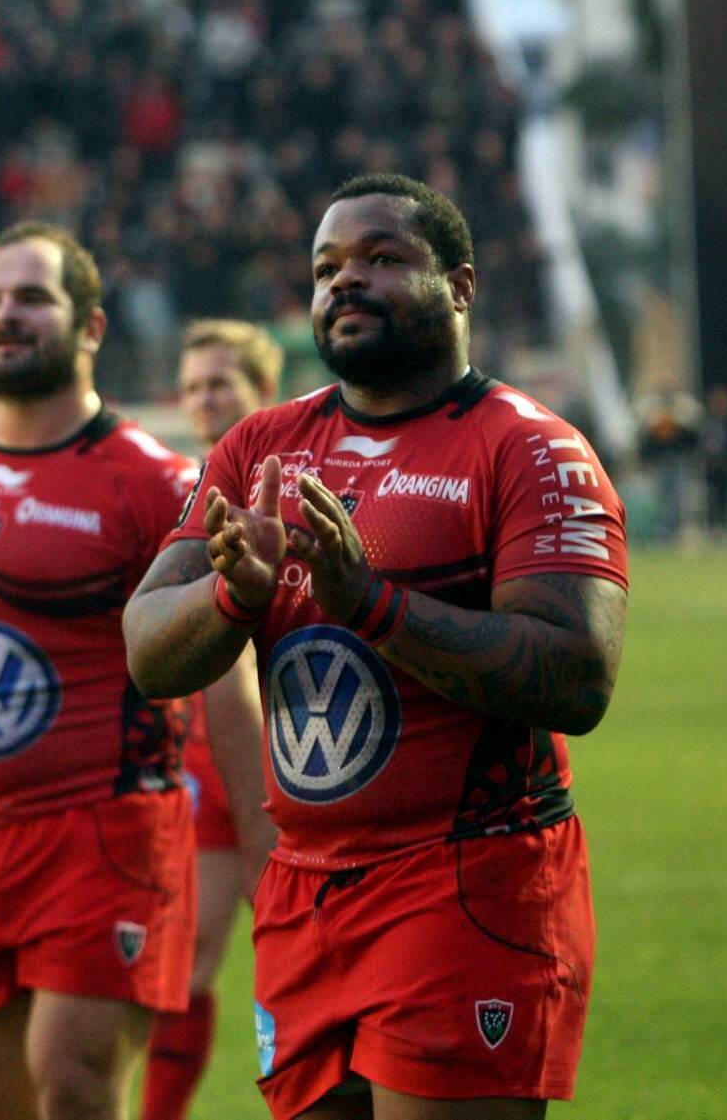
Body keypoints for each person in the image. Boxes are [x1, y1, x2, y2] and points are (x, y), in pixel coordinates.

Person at [123, 174, 631, 1120]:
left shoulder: (530, 449)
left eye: (382, 258)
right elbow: (149, 650)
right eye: (327, 268)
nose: (346, 281)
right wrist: (234, 594)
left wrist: (372, 605)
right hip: (306, 889)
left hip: (466, 880)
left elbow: (576, 674)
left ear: (461, 285)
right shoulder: (259, 447)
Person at [0, 224, 261, 1120]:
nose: (6, 315)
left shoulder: (155, 481)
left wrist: (271, 857)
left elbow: (227, 682)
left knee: (71, 1079)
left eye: (32, 297)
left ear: (90, 325)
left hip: (107, 834)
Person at [143, 322, 281, 1120]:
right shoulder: (182, 494)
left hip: (299, 760)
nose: (204, 400)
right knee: (190, 957)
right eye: (193, 386)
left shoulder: (312, 483)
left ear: (263, 392)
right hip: (203, 760)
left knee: (303, 951)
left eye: (221, 384)